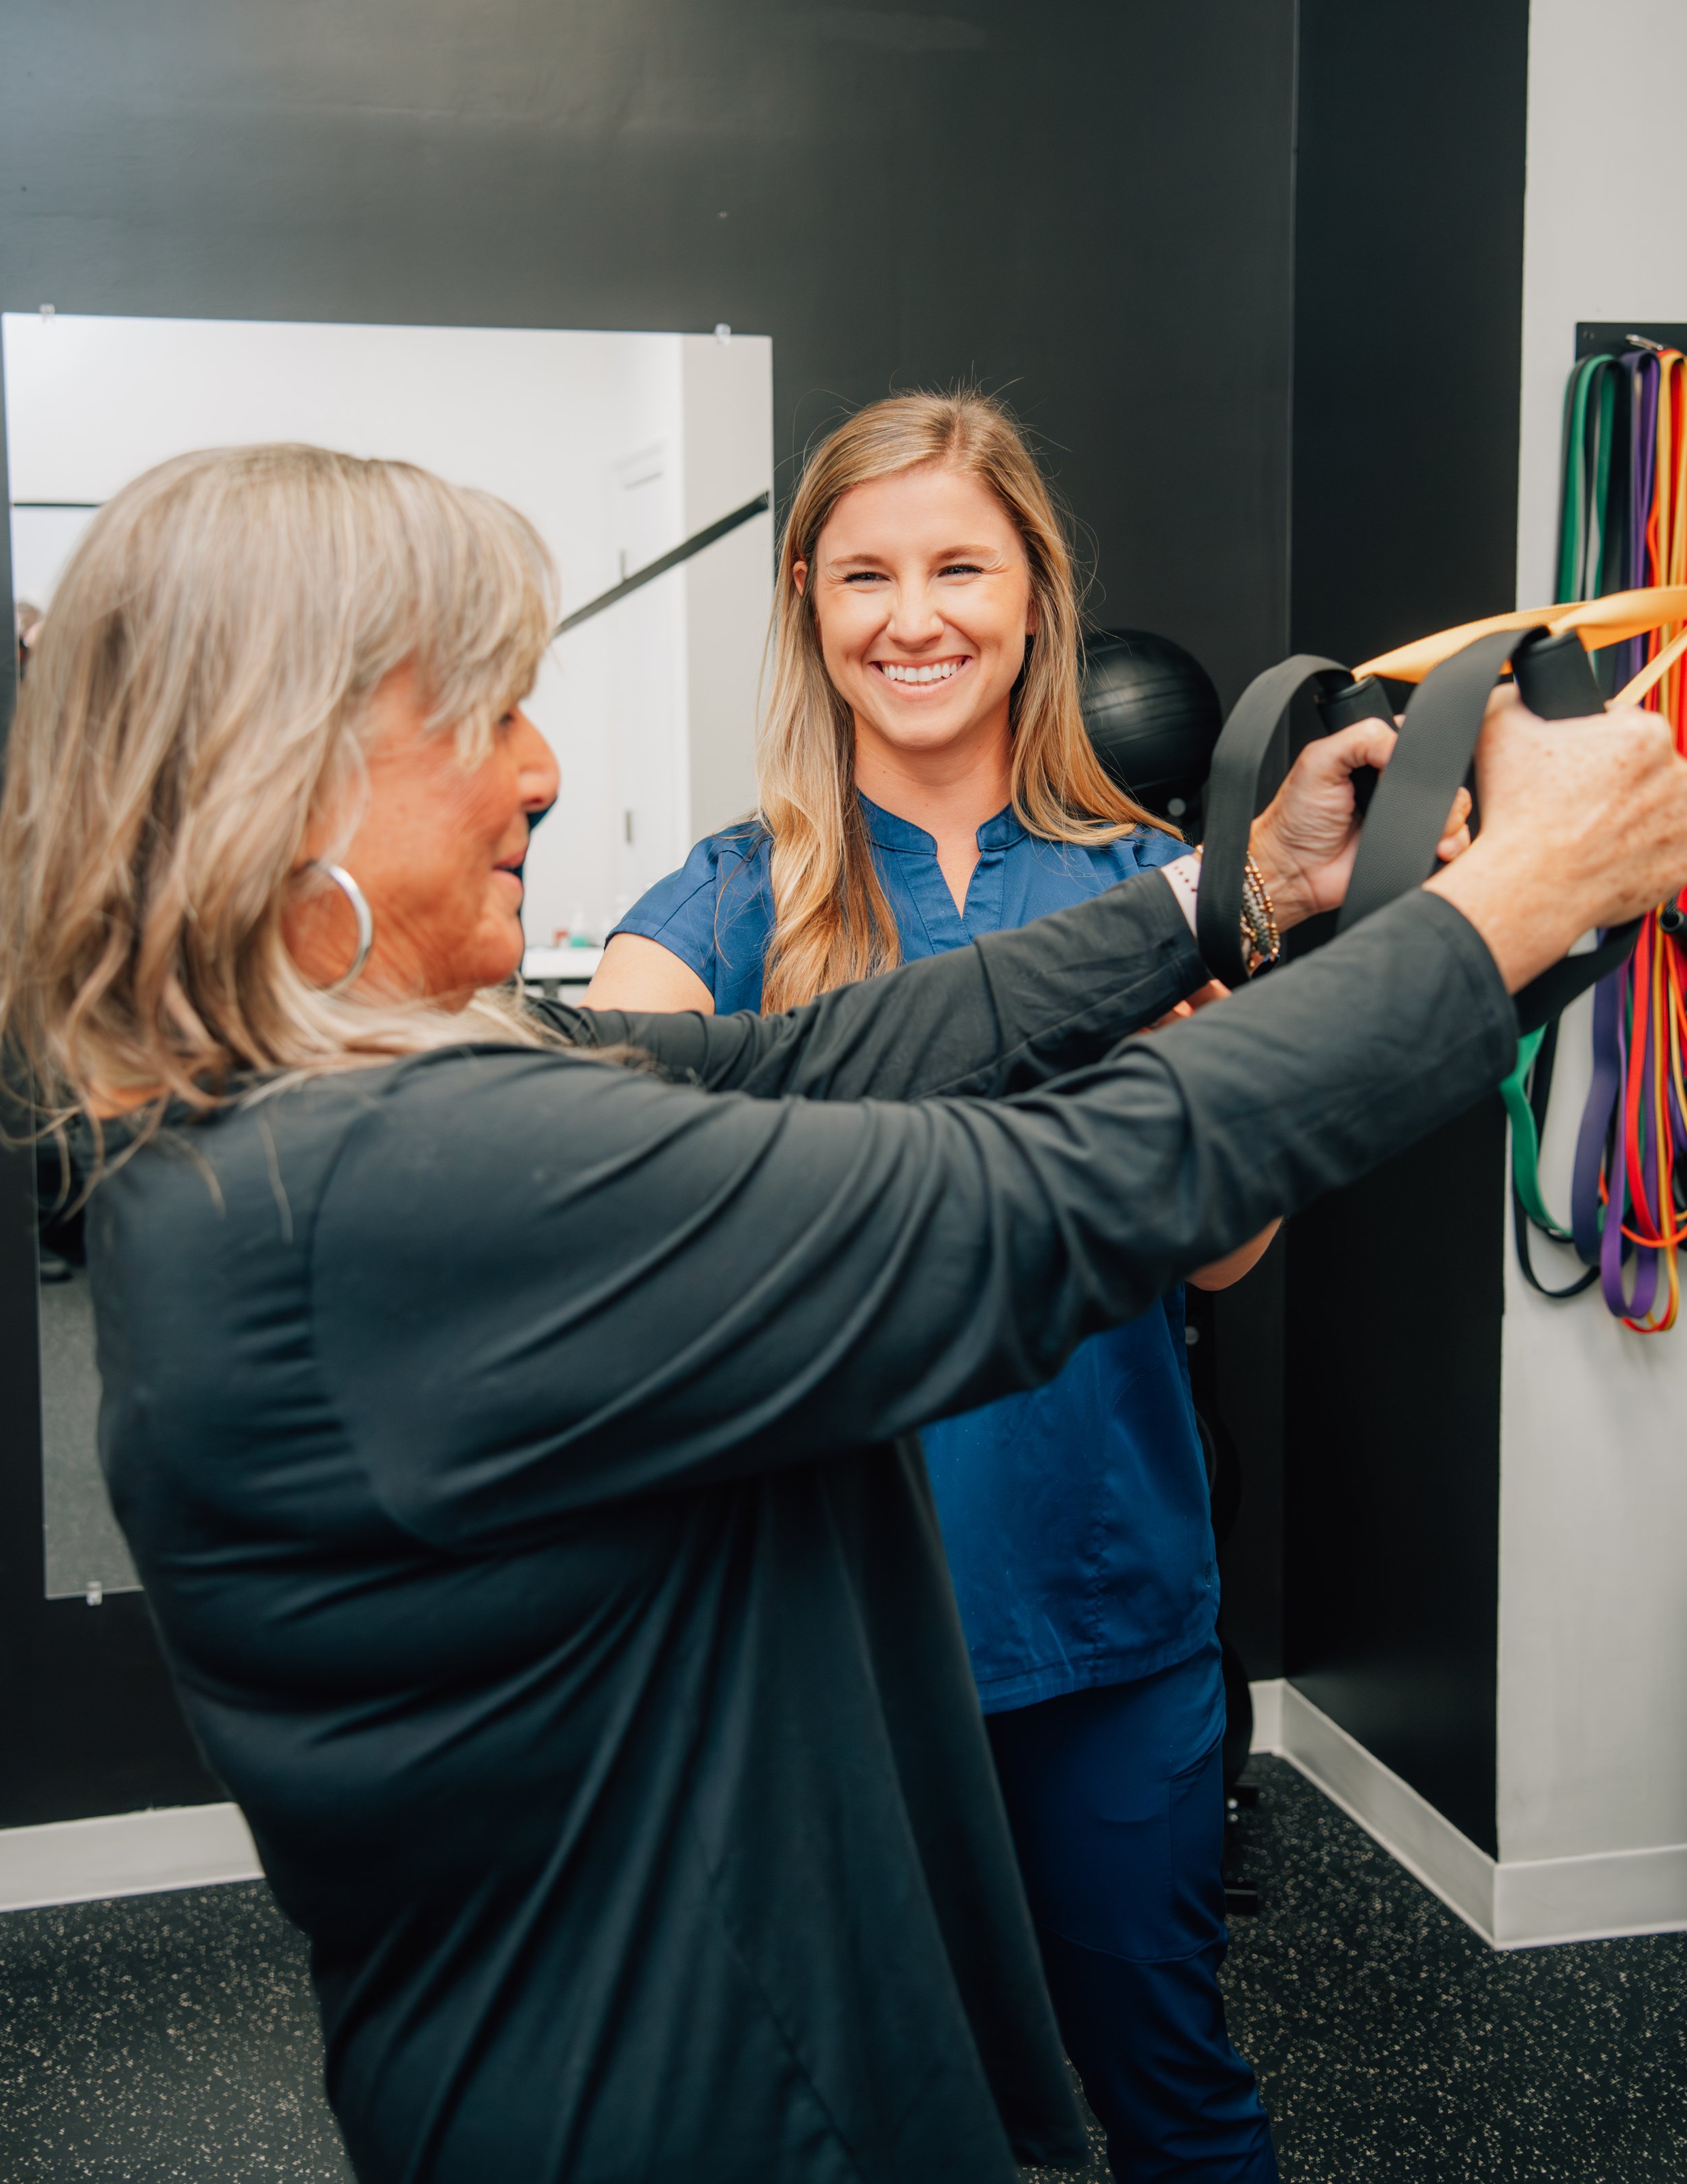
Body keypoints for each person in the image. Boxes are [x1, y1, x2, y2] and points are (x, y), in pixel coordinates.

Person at [0, 442, 1680, 2184]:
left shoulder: (329, 1104)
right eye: (486, 711)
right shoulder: (386, 1176)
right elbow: (1036, 1197)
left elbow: (811, 1057)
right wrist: (1518, 902)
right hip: (663, 2101)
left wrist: (1232, 890)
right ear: (291, 772)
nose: (543, 770)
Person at [585, 392, 1473, 2181]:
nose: (911, 617)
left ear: (1035, 595)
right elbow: (607, 1196)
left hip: (1101, 1612)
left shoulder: (1164, 888)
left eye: (956, 566)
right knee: (870, 2115)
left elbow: (1223, 1251)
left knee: (1171, 2089)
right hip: (825, 1647)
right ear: (808, 603)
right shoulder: (730, 898)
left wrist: (1205, 1051)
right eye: (865, 574)